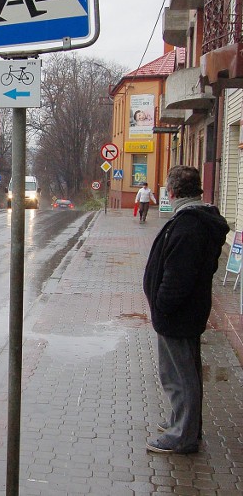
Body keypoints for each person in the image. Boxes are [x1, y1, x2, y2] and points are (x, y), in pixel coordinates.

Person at [143, 165, 228, 455]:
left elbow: (178, 275)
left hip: (177, 314)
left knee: (179, 376)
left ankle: (183, 436)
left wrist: (162, 306)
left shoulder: (189, 225)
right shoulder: (193, 220)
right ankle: (183, 424)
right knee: (182, 372)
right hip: (185, 312)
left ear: (173, 192)